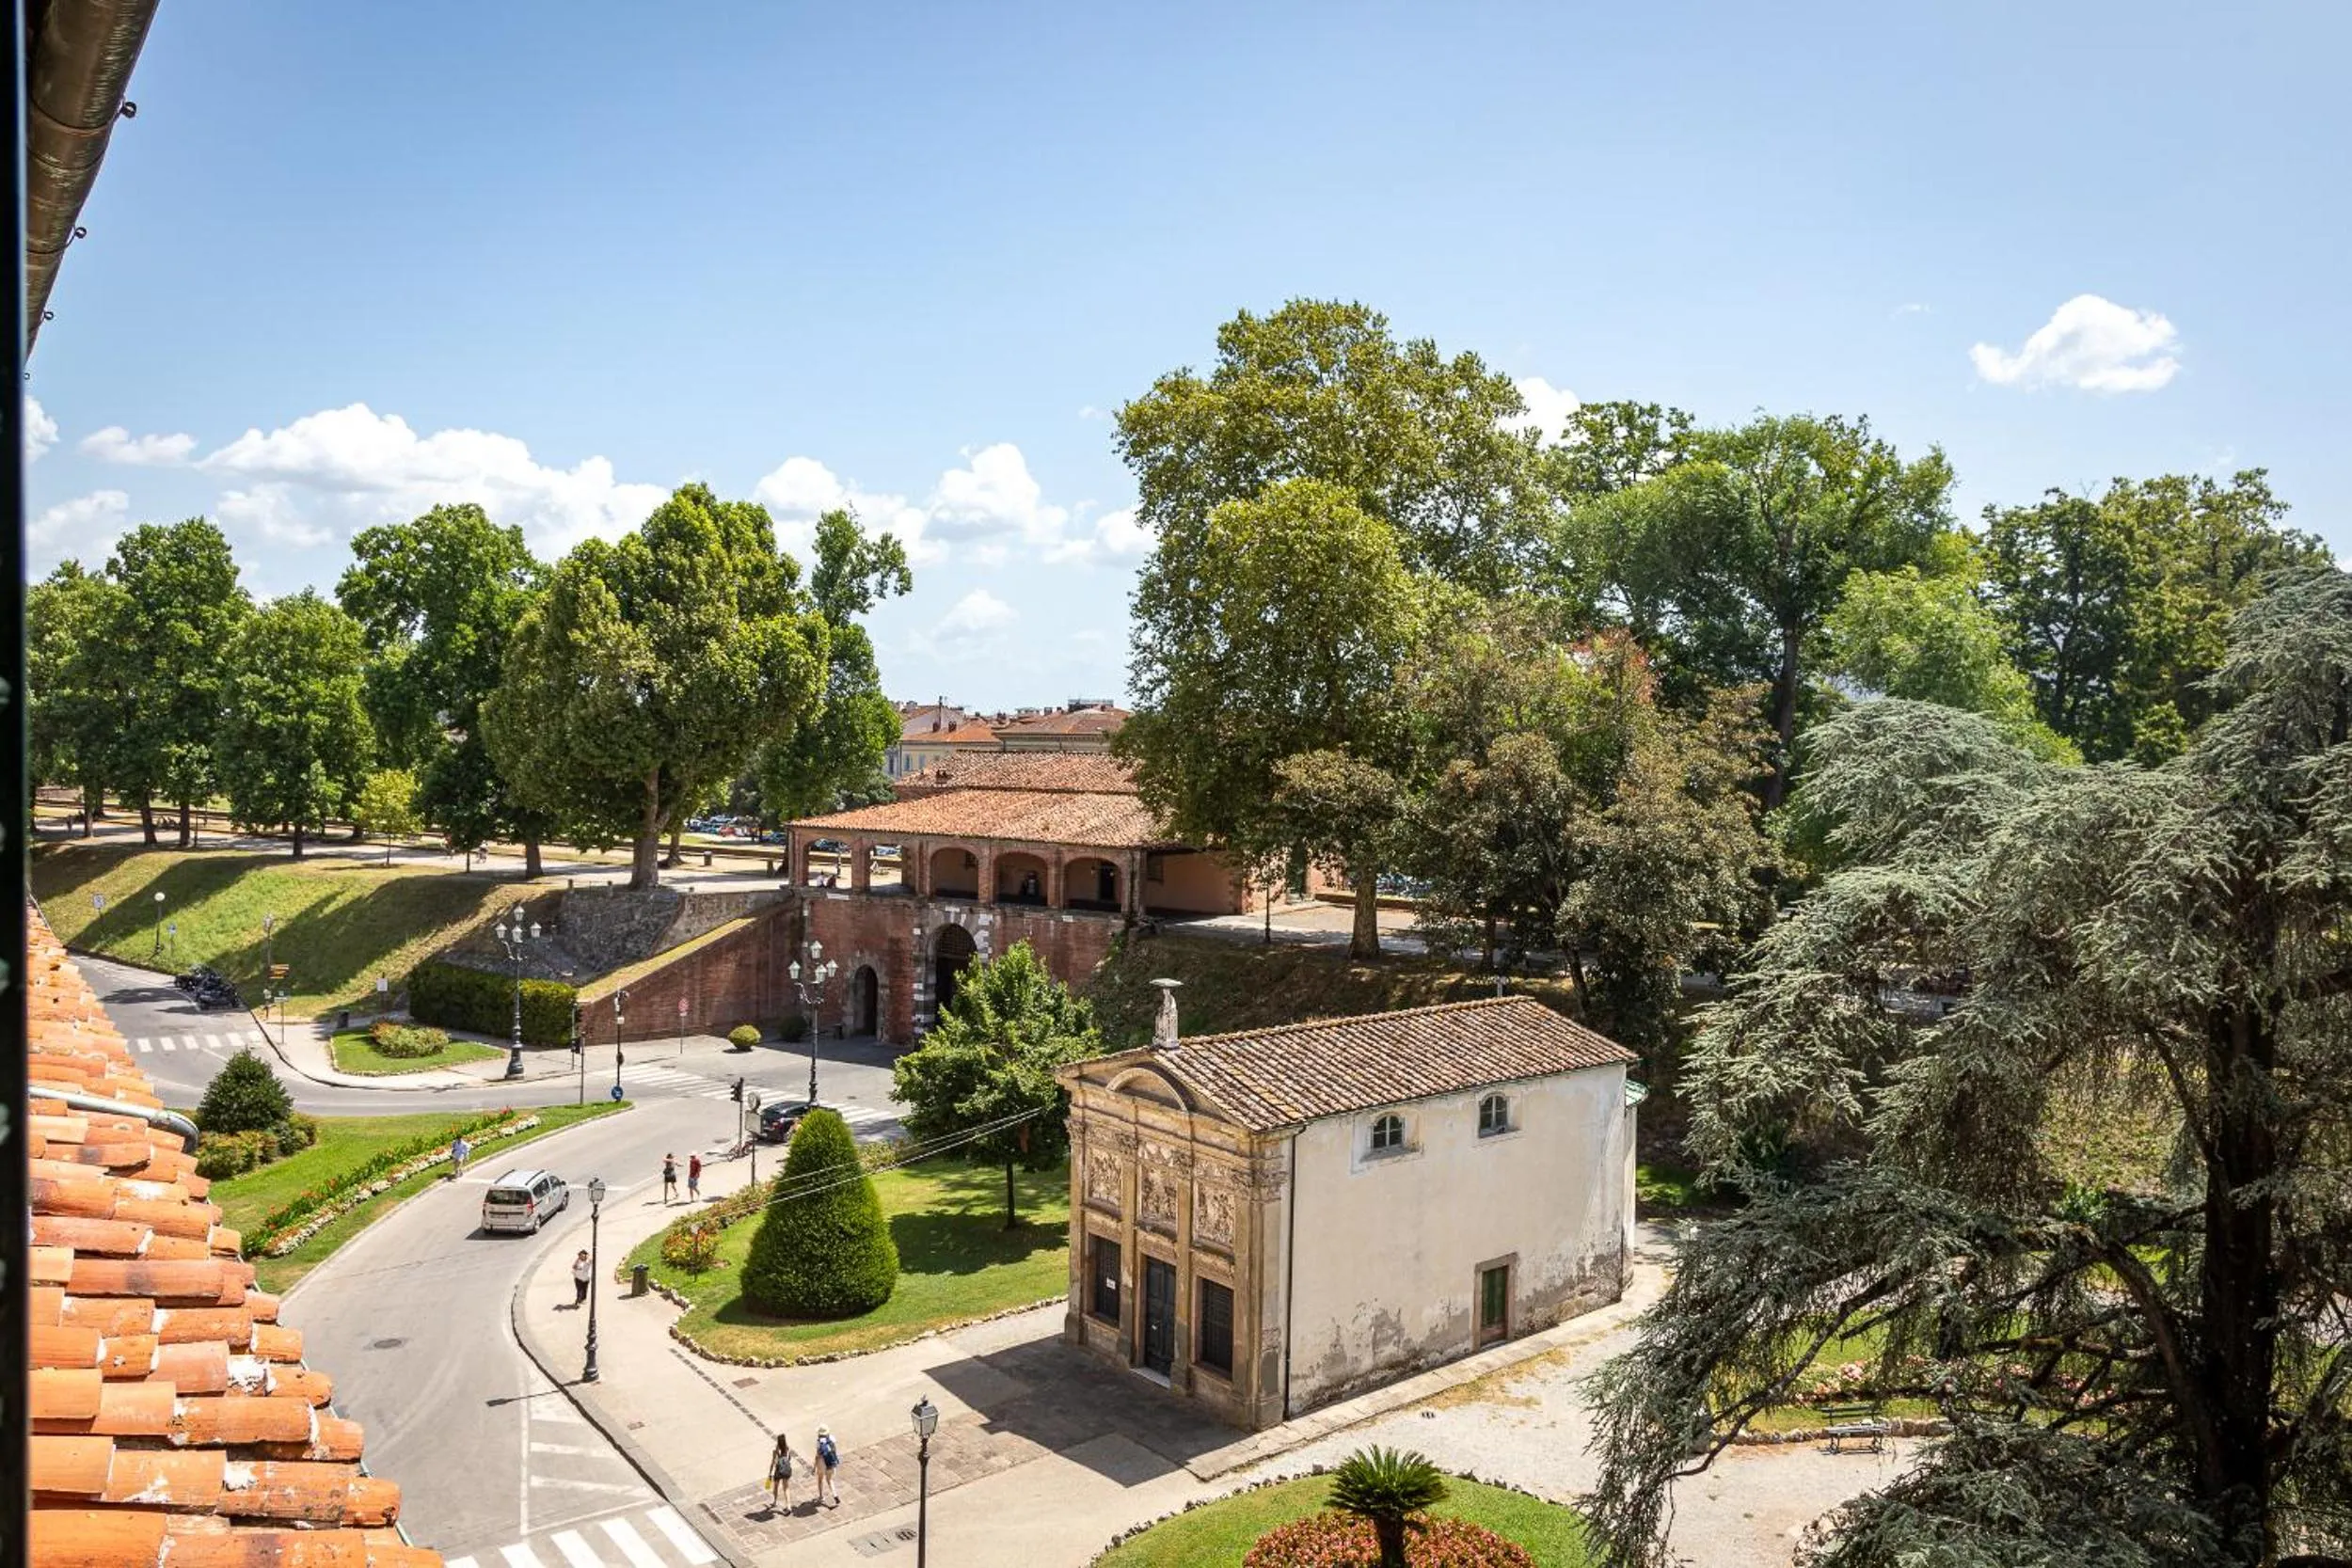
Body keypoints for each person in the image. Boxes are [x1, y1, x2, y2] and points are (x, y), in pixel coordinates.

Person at [766, 1432, 794, 1509]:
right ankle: (788, 1506)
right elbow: (789, 1459)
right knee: (786, 1487)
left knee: (776, 1486)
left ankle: (774, 1501)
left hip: (778, 1471)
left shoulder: (775, 1451)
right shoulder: (787, 1449)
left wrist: (770, 1472)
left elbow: (773, 1462)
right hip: (786, 1470)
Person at [814, 1426, 839, 1508]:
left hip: (822, 1462)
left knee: (820, 1479)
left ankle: (821, 1496)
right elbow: (835, 1449)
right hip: (831, 1462)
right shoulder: (832, 1438)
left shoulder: (819, 1442)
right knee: (830, 1480)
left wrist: (815, 1466)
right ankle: (835, 1495)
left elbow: (817, 1455)